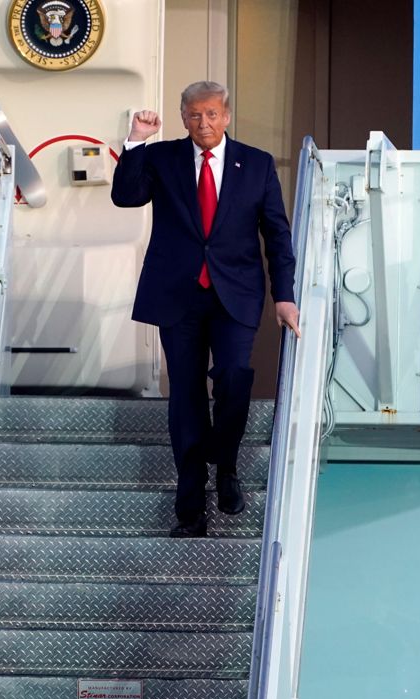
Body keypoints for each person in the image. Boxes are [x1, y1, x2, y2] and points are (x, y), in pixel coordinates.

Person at [111, 80, 300, 538]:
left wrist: (285, 295)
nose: (204, 123)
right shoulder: (162, 157)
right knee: (187, 398)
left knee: (235, 377)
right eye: (195, 115)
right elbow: (126, 196)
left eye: (212, 114)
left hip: (235, 292)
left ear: (227, 116)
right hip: (178, 294)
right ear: (183, 117)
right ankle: (191, 507)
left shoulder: (255, 164)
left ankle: (227, 465)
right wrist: (136, 140)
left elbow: (276, 234)